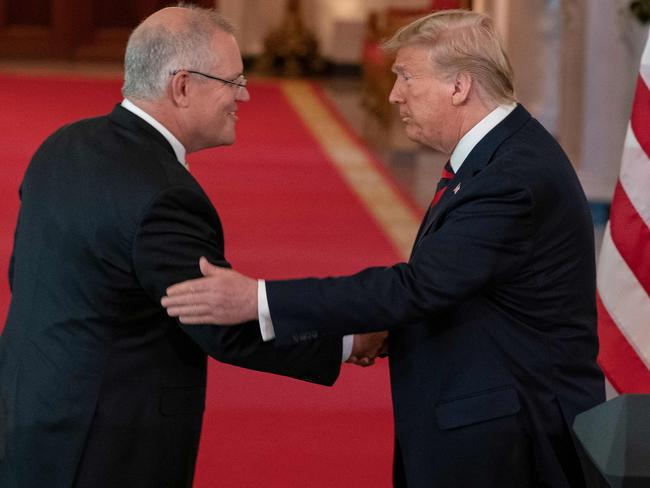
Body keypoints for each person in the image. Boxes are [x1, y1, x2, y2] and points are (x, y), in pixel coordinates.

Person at [161, 9, 607, 488]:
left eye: (406, 77)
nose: (394, 94)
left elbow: (419, 287)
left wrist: (258, 299)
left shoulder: (511, 177)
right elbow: (459, 281)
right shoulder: (499, 153)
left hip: (511, 440)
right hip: (488, 417)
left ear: (458, 87)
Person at [0, 5, 385, 488]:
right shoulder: (165, 196)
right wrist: (351, 339)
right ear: (181, 86)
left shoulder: (63, 144)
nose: (244, 95)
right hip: (104, 443)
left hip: (28, 411)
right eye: (233, 81)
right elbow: (222, 325)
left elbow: (27, 275)